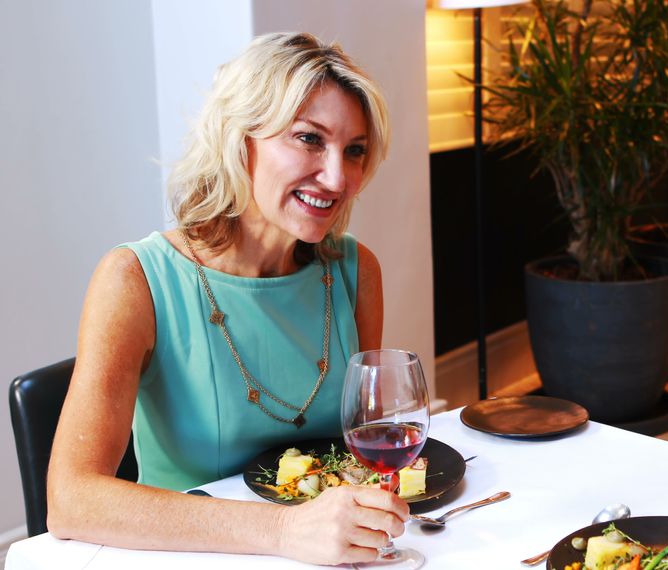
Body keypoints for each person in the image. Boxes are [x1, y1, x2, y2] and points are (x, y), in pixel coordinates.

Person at [46, 32, 408, 566]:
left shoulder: (355, 271)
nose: (338, 177)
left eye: (354, 151)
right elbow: (72, 500)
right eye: (309, 139)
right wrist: (284, 530)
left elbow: (363, 453)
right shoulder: (135, 279)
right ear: (240, 140)